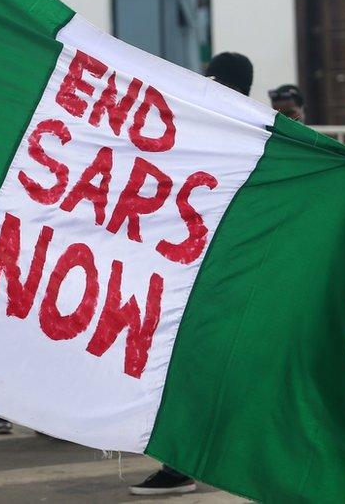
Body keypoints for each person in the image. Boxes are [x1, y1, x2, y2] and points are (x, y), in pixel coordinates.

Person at [129, 52, 258, 496]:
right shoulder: (249, 130)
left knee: (188, 368)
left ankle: (182, 461)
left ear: (219, 81)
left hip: (206, 277)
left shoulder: (221, 127)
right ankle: (201, 455)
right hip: (213, 272)